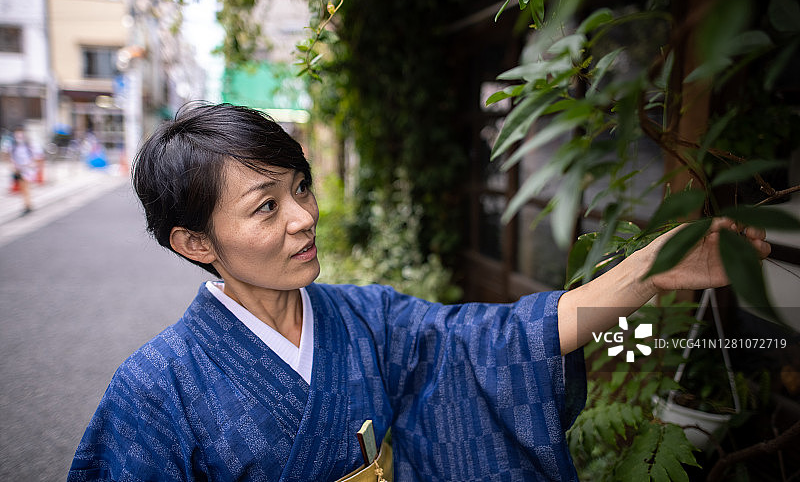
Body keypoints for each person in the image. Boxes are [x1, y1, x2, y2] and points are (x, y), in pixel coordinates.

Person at [67, 103, 770, 482]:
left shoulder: (367, 319)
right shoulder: (153, 392)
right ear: (194, 243)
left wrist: (649, 271)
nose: (305, 216)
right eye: (265, 207)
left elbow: (500, 344)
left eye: (300, 188)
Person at [9, 127, 37, 216]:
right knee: (23, 188)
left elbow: (34, 156)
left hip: (27, 169)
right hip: (19, 169)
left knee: (26, 187)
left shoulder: (28, 145)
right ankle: (27, 204)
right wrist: (14, 167)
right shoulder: (13, 146)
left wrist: (30, 165)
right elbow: (12, 158)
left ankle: (27, 205)